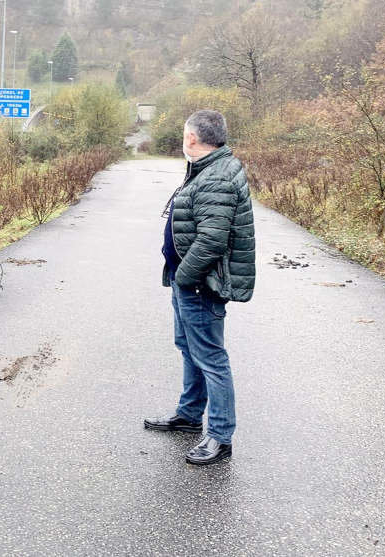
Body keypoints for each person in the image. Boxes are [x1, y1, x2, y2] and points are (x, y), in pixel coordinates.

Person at [143, 109, 255, 466]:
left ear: (192, 138)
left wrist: (186, 277)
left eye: (183, 133)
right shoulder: (209, 169)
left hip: (199, 285)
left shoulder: (217, 177)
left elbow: (211, 240)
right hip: (187, 282)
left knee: (211, 358)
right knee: (189, 348)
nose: (182, 138)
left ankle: (220, 436)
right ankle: (190, 415)